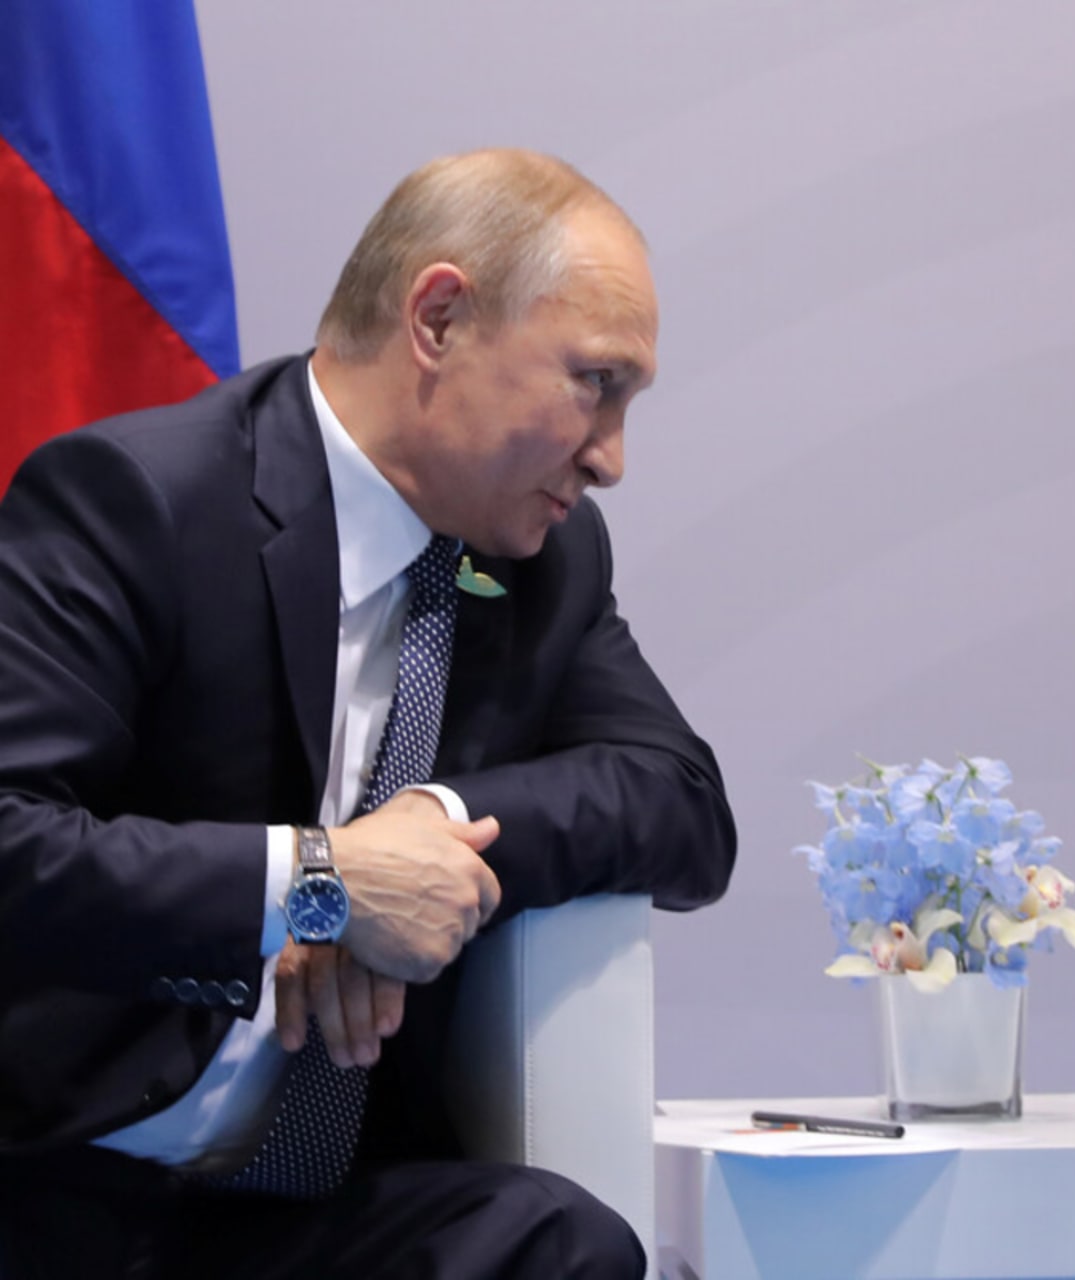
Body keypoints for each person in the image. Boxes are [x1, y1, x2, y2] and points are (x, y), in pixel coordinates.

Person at [0, 148, 737, 1278]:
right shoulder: (142, 503)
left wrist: (428, 836)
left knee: (566, 1243)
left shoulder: (542, 560)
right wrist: (320, 881)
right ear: (439, 320)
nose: (612, 458)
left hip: (306, 1212)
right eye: (595, 382)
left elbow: (683, 806)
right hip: (60, 1186)